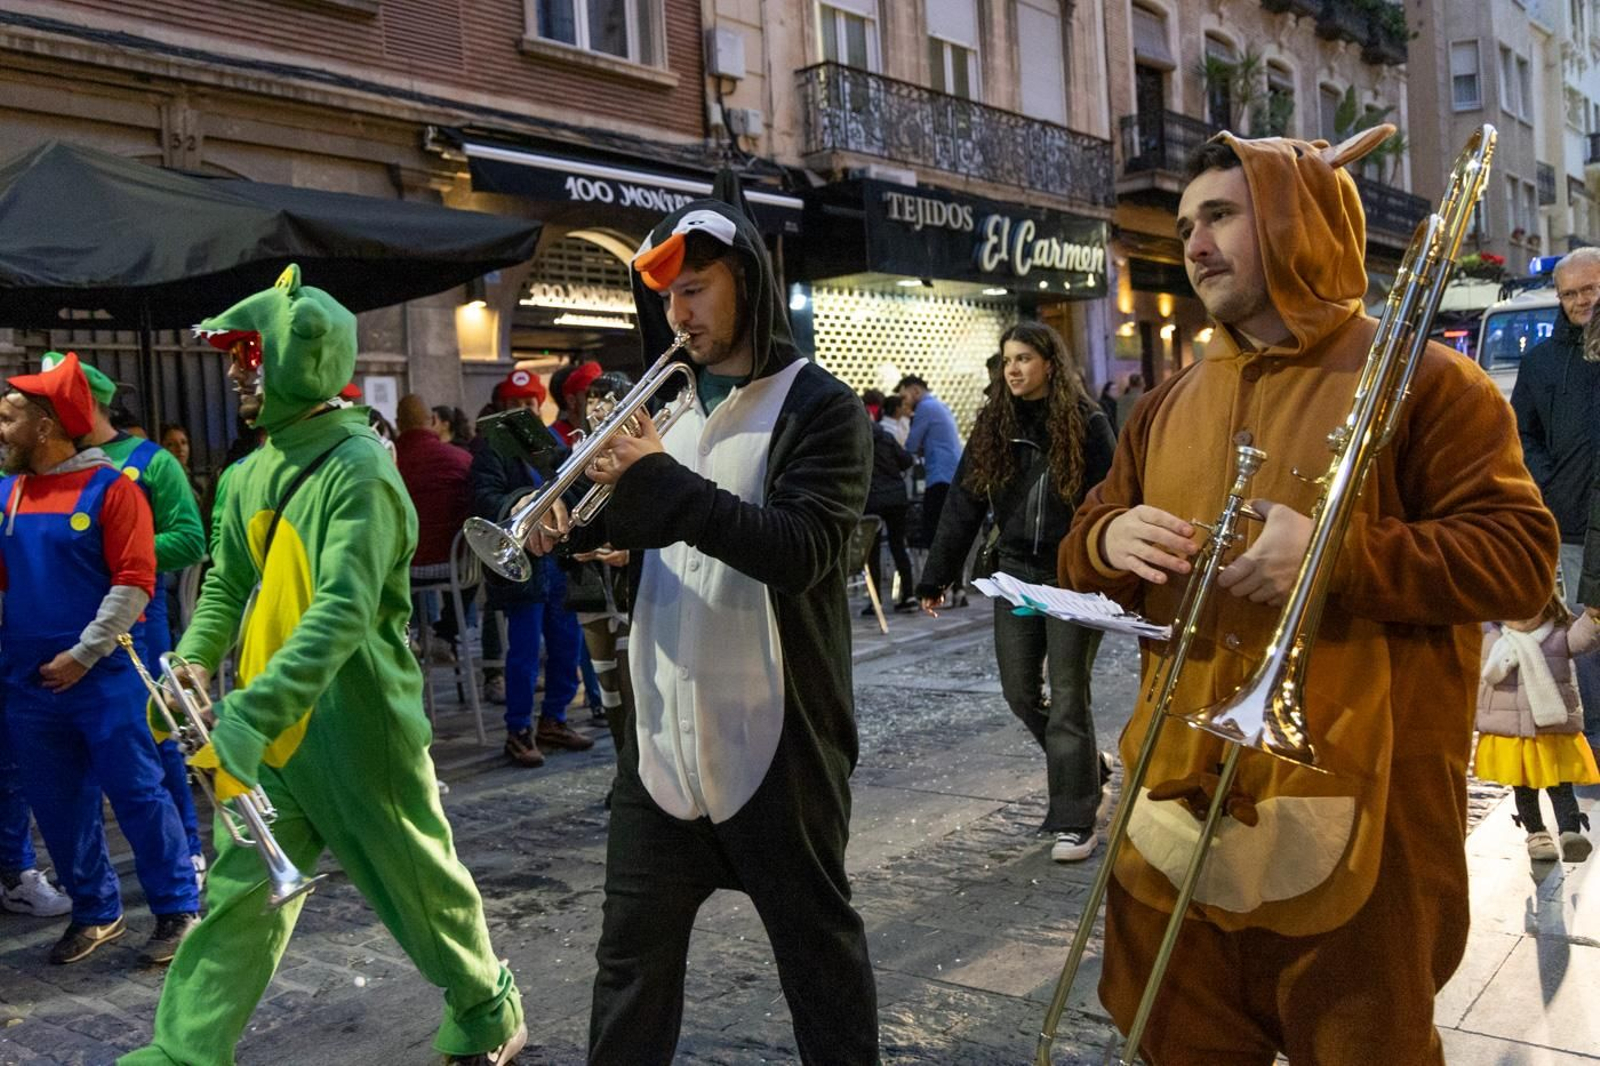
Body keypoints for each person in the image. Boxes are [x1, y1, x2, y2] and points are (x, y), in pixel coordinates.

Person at [1059, 131, 1558, 1063]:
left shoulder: (1431, 383)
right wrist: (1105, 537)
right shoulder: (1166, 402)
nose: (1194, 245)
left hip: (1360, 812)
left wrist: (1338, 555)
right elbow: (1086, 537)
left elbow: (1520, 559)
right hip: (1174, 801)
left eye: (1220, 216)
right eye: (1184, 225)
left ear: (1293, 221)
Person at [120, 266, 525, 1066]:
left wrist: (247, 714)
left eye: (252, 353)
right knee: (237, 897)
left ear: (299, 361)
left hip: (358, 725)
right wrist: (197, 663)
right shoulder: (246, 472)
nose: (239, 370)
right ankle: (184, 1049)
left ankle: (487, 1006)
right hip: (268, 727)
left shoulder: (362, 472)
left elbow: (342, 612)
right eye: (237, 354)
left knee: (417, 886)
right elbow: (228, 580)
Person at [532, 188, 879, 1064]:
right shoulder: (667, 412)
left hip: (781, 745)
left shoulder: (820, 408)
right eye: (667, 298)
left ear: (748, 281)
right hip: (658, 745)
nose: (678, 313)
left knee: (819, 965)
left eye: (696, 289)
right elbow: (658, 527)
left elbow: (802, 549)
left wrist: (658, 487)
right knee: (629, 974)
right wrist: (580, 528)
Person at [0, 354, 201, 966]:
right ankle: (95, 911)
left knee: (139, 793)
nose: (0, 430)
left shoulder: (111, 488)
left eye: (9, 419)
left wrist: (84, 654)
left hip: (105, 675)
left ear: (45, 425)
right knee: (58, 804)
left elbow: (135, 583)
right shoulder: (8, 491)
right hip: (28, 682)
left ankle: (177, 910)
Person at [918, 322, 1116, 861]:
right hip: (1014, 575)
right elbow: (964, 502)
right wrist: (936, 575)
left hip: (1072, 577)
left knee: (1070, 694)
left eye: (1024, 357)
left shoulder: (1088, 423)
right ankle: (1087, 767)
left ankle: (1077, 818)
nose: (1013, 368)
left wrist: (1110, 568)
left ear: (1050, 363)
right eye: (1007, 359)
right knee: (1019, 692)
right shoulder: (993, 424)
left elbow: (1114, 502)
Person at [70, 355, 208, 884]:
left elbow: (191, 539)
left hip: (138, 626)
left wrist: (115, 552)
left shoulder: (152, 461)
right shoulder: (43, 468)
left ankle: (188, 851)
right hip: (68, 629)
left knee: (157, 737)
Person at [470, 367, 591, 766]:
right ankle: (518, 728)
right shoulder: (491, 446)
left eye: (529, 404)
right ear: (503, 408)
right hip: (524, 558)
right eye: (516, 404)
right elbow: (484, 495)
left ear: (539, 406)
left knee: (566, 642)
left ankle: (554, 718)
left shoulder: (551, 442)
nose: (524, 410)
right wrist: (523, 502)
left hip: (558, 557)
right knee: (523, 650)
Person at [1511, 246, 1600, 751]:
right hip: (1573, 521)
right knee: (1588, 635)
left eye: (1590, 288)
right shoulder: (1541, 362)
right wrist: (1551, 482)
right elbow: (1521, 431)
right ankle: (1595, 741)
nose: (1581, 301)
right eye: (1570, 293)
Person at [1476, 590, 1598, 862]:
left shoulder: (1558, 634)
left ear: (1548, 607)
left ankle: (1570, 833)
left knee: (1560, 785)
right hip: (1513, 731)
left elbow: (1582, 640)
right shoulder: (1490, 633)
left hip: (1552, 729)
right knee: (1524, 789)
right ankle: (1537, 834)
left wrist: (1592, 617)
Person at [394, 393, 474, 661]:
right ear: (430, 420)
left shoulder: (388, 463)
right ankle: (445, 633)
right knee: (476, 561)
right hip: (456, 565)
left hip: (407, 567)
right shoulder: (460, 458)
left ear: (398, 423)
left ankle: (404, 638)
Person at [862, 393, 916, 614]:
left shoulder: (859, 442)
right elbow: (907, 460)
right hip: (896, 498)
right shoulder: (886, 436)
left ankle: (876, 602)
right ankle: (909, 595)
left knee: (872, 552)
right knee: (898, 545)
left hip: (873, 501)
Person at [896, 372, 960, 550]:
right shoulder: (938, 405)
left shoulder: (925, 408)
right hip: (951, 472)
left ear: (915, 390)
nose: (904, 401)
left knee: (932, 532)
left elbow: (911, 445)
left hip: (940, 475)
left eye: (904, 396)